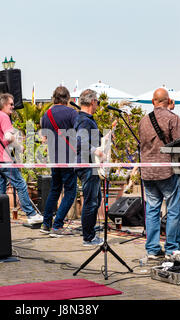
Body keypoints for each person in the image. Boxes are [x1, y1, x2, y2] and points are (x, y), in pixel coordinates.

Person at [138, 88, 180, 259]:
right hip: (166, 171)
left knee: (152, 210)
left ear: (153, 101)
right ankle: (171, 248)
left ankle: (152, 248)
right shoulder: (173, 118)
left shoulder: (143, 120)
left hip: (148, 172)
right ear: (169, 101)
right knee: (173, 210)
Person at [0, 93, 43, 224]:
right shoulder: (4, 116)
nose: (13, 107)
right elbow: (8, 136)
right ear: (3, 104)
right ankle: (31, 214)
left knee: (0, 190)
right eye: (11, 104)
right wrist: (18, 146)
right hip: (3, 159)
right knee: (21, 184)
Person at [39, 86, 78, 237]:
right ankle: (58, 225)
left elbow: (44, 137)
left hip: (54, 157)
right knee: (70, 192)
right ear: (67, 98)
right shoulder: (71, 113)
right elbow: (79, 132)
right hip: (69, 157)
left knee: (55, 189)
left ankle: (46, 223)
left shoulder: (46, 114)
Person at [74, 89, 106, 246]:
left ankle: (90, 233)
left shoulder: (83, 119)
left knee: (95, 199)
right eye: (97, 102)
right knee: (91, 201)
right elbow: (81, 142)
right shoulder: (85, 121)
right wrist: (97, 150)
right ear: (93, 102)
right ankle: (88, 237)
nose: (98, 105)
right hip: (87, 164)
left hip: (88, 164)